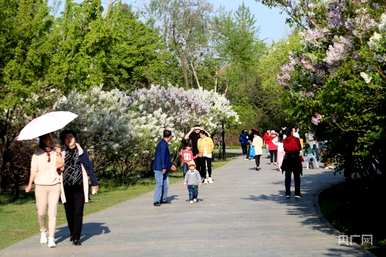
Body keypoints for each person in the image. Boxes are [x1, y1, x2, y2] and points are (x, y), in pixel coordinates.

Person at [60, 130, 99, 246]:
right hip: (66, 187)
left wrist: (94, 183)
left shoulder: (82, 152)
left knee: (78, 211)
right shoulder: (62, 153)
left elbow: (89, 167)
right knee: (69, 212)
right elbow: (56, 168)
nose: (69, 139)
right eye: (66, 138)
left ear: (75, 138)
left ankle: (77, 237)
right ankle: (72, 231)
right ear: (64, 141)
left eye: (71, 137)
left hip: (79, 186)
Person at [25, 133, 64, 248]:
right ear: (42, 140)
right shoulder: (36, 154)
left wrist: (58, 154)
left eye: (49, 138)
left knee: (52, 213)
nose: (48, 140)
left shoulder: (56, 151)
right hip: (40, 186)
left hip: (54, 185)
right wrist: (29, 185)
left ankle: (51, 238)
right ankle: (43, 230)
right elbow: (33, 171)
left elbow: (61, 167)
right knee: (41, 212)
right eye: (46, 138)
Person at [153, 129, 177, 206]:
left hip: (165, 168)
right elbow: (163, 156)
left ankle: (163, 198)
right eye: (171, 137)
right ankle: (156, 200)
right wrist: (163, 167)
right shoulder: (163, 144)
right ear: (170, 136)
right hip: (159, 168)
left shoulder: (164, 143)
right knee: (159, 184)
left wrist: (170, 165)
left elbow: (166, 158)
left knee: (165, 184)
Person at [281, 128, 303, 198]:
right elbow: (299, 148)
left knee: (287, 177)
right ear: (291, 132)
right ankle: (297, 193)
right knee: (297, 176)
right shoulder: (296, 139)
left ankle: (287, 193)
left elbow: (284, 148)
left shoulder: (285, 140)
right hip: (296, 159)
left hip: (288, 159)